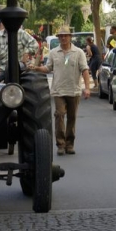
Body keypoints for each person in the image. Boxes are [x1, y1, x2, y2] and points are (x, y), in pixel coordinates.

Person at [29, 25, 90, 156]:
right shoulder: (53, 53)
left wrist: (87, 88)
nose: (63, 38)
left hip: (74, 90)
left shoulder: (78, 52)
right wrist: (36, 68)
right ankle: (60, 144)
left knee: (72, 118)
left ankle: (70, 144)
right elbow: (48, 68)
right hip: (58, 90)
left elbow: (85, 70)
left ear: (70, 37)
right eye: (60, 36)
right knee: (59, 115)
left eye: (65, 36)